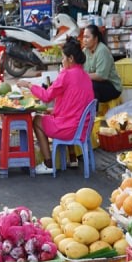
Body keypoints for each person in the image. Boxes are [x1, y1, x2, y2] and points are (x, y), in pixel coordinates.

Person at [17, 38, 95, 175]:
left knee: (37, 120)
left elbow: (47, 96)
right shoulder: (85, 76)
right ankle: (71, 158)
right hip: (83, 127)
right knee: (49, 116)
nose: (62, 61)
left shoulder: (66, 74)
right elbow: (74, 105)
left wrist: (29, 85)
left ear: (70, 58)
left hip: (70, 128)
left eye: (63, 58)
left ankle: (48, 163)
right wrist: (52, 110)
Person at [81, 25, 123, 104]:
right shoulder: (85, 51)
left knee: (91, 86)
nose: (84, 40)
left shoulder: (102, 50)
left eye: (87, 37)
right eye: (84, 37)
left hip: (112, 87)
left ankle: (93, 111)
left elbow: (101, 76)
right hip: (98, 84)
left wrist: (83, 75)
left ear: (95, 39)